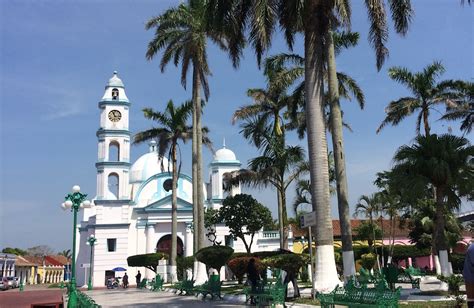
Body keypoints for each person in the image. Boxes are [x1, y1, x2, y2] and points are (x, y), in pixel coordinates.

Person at [463, 241, 474, 308]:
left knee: (471, 299)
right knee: (471, 299)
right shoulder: (473, 248)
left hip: (469, 277)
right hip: (470, 277)